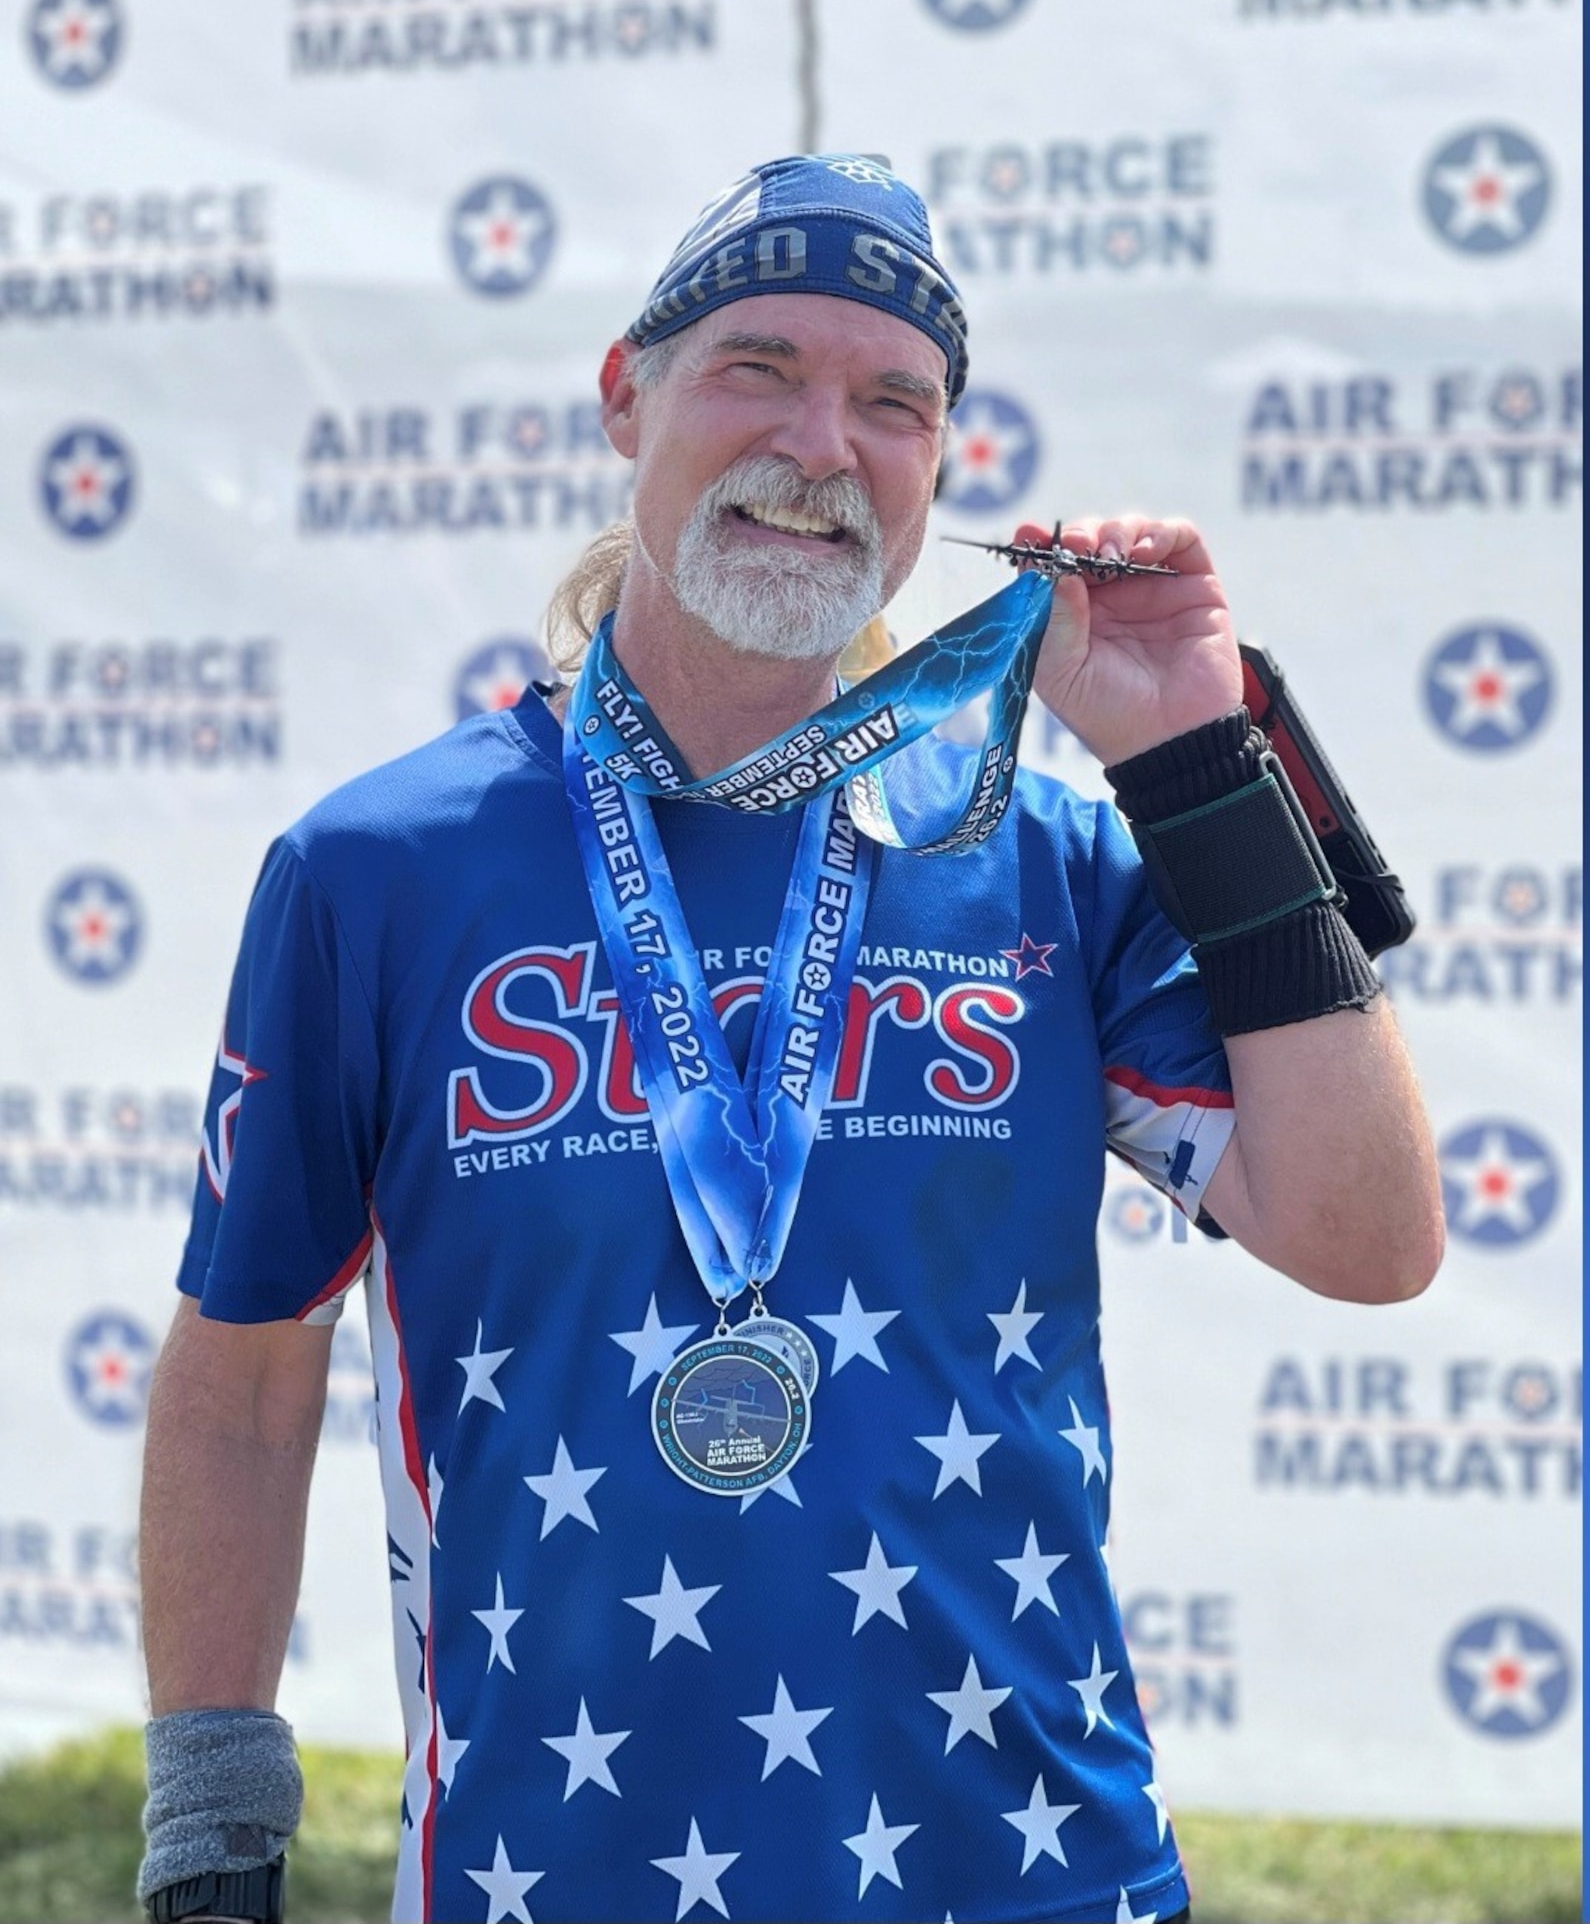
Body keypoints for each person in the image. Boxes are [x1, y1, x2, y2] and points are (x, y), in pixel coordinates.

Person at [137, 155, 1443, 1924]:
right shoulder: (379, 872)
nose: (823, 443)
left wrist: (1195, 761)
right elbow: (245, 1369)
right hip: (556, 1873)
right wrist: (213, 1813)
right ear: (626, 396)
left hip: (1037, 1876)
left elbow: (1369, 1242)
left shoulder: (1040, 855)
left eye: (892, 401)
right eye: (758, 367)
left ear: (939, 468)